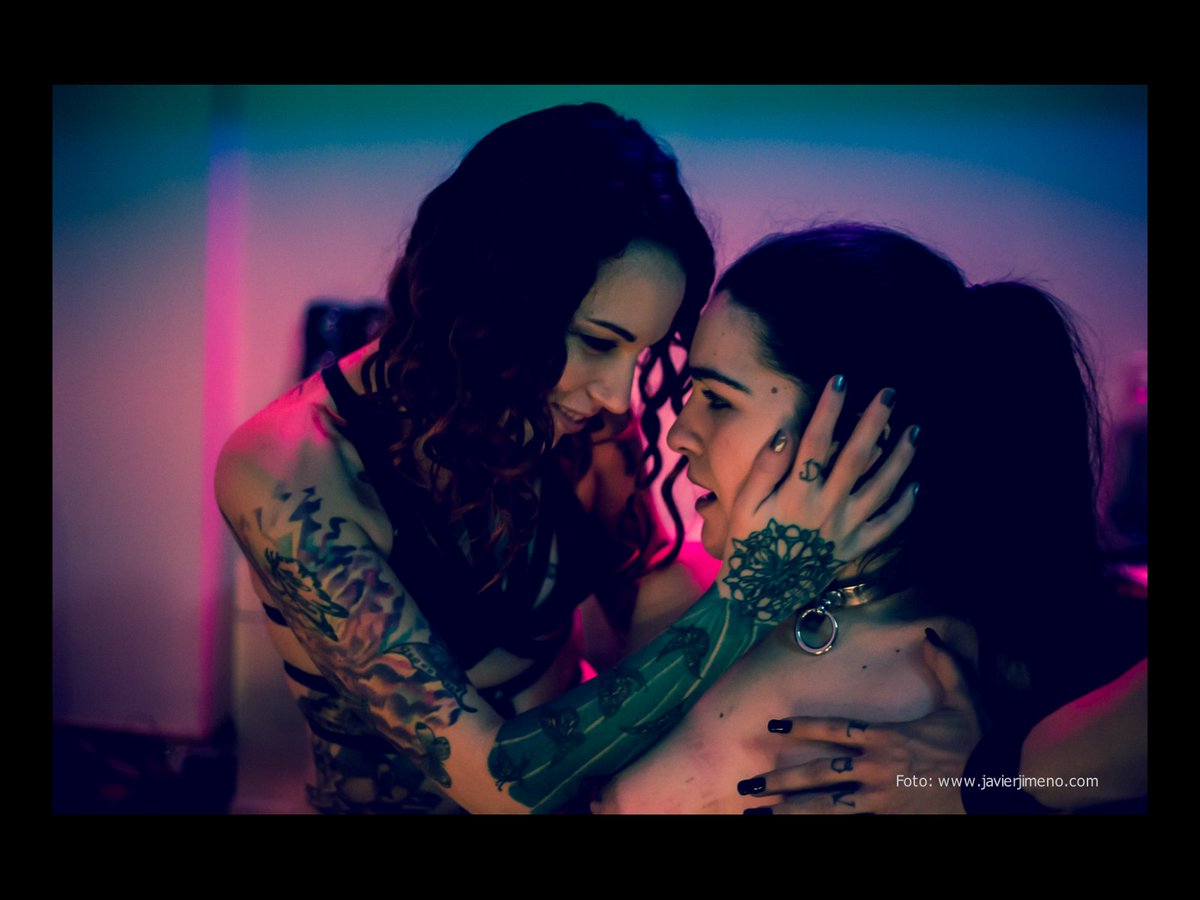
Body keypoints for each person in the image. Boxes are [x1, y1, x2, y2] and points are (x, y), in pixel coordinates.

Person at [215, 107, 917, 814]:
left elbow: (650, 606)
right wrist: (750, 593)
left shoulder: (574, 417)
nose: (617, 394)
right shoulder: (288, 473)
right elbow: (494, 783)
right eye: (598, 342)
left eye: (641, 352)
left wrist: (926, 742)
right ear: (492, 298)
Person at [593, 224, 1148, 814]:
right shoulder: (682, 593)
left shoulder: (957, 684)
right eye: (690, 393)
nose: (678, 434)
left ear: (855, 435)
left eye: (719, 400)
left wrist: (993, 782)